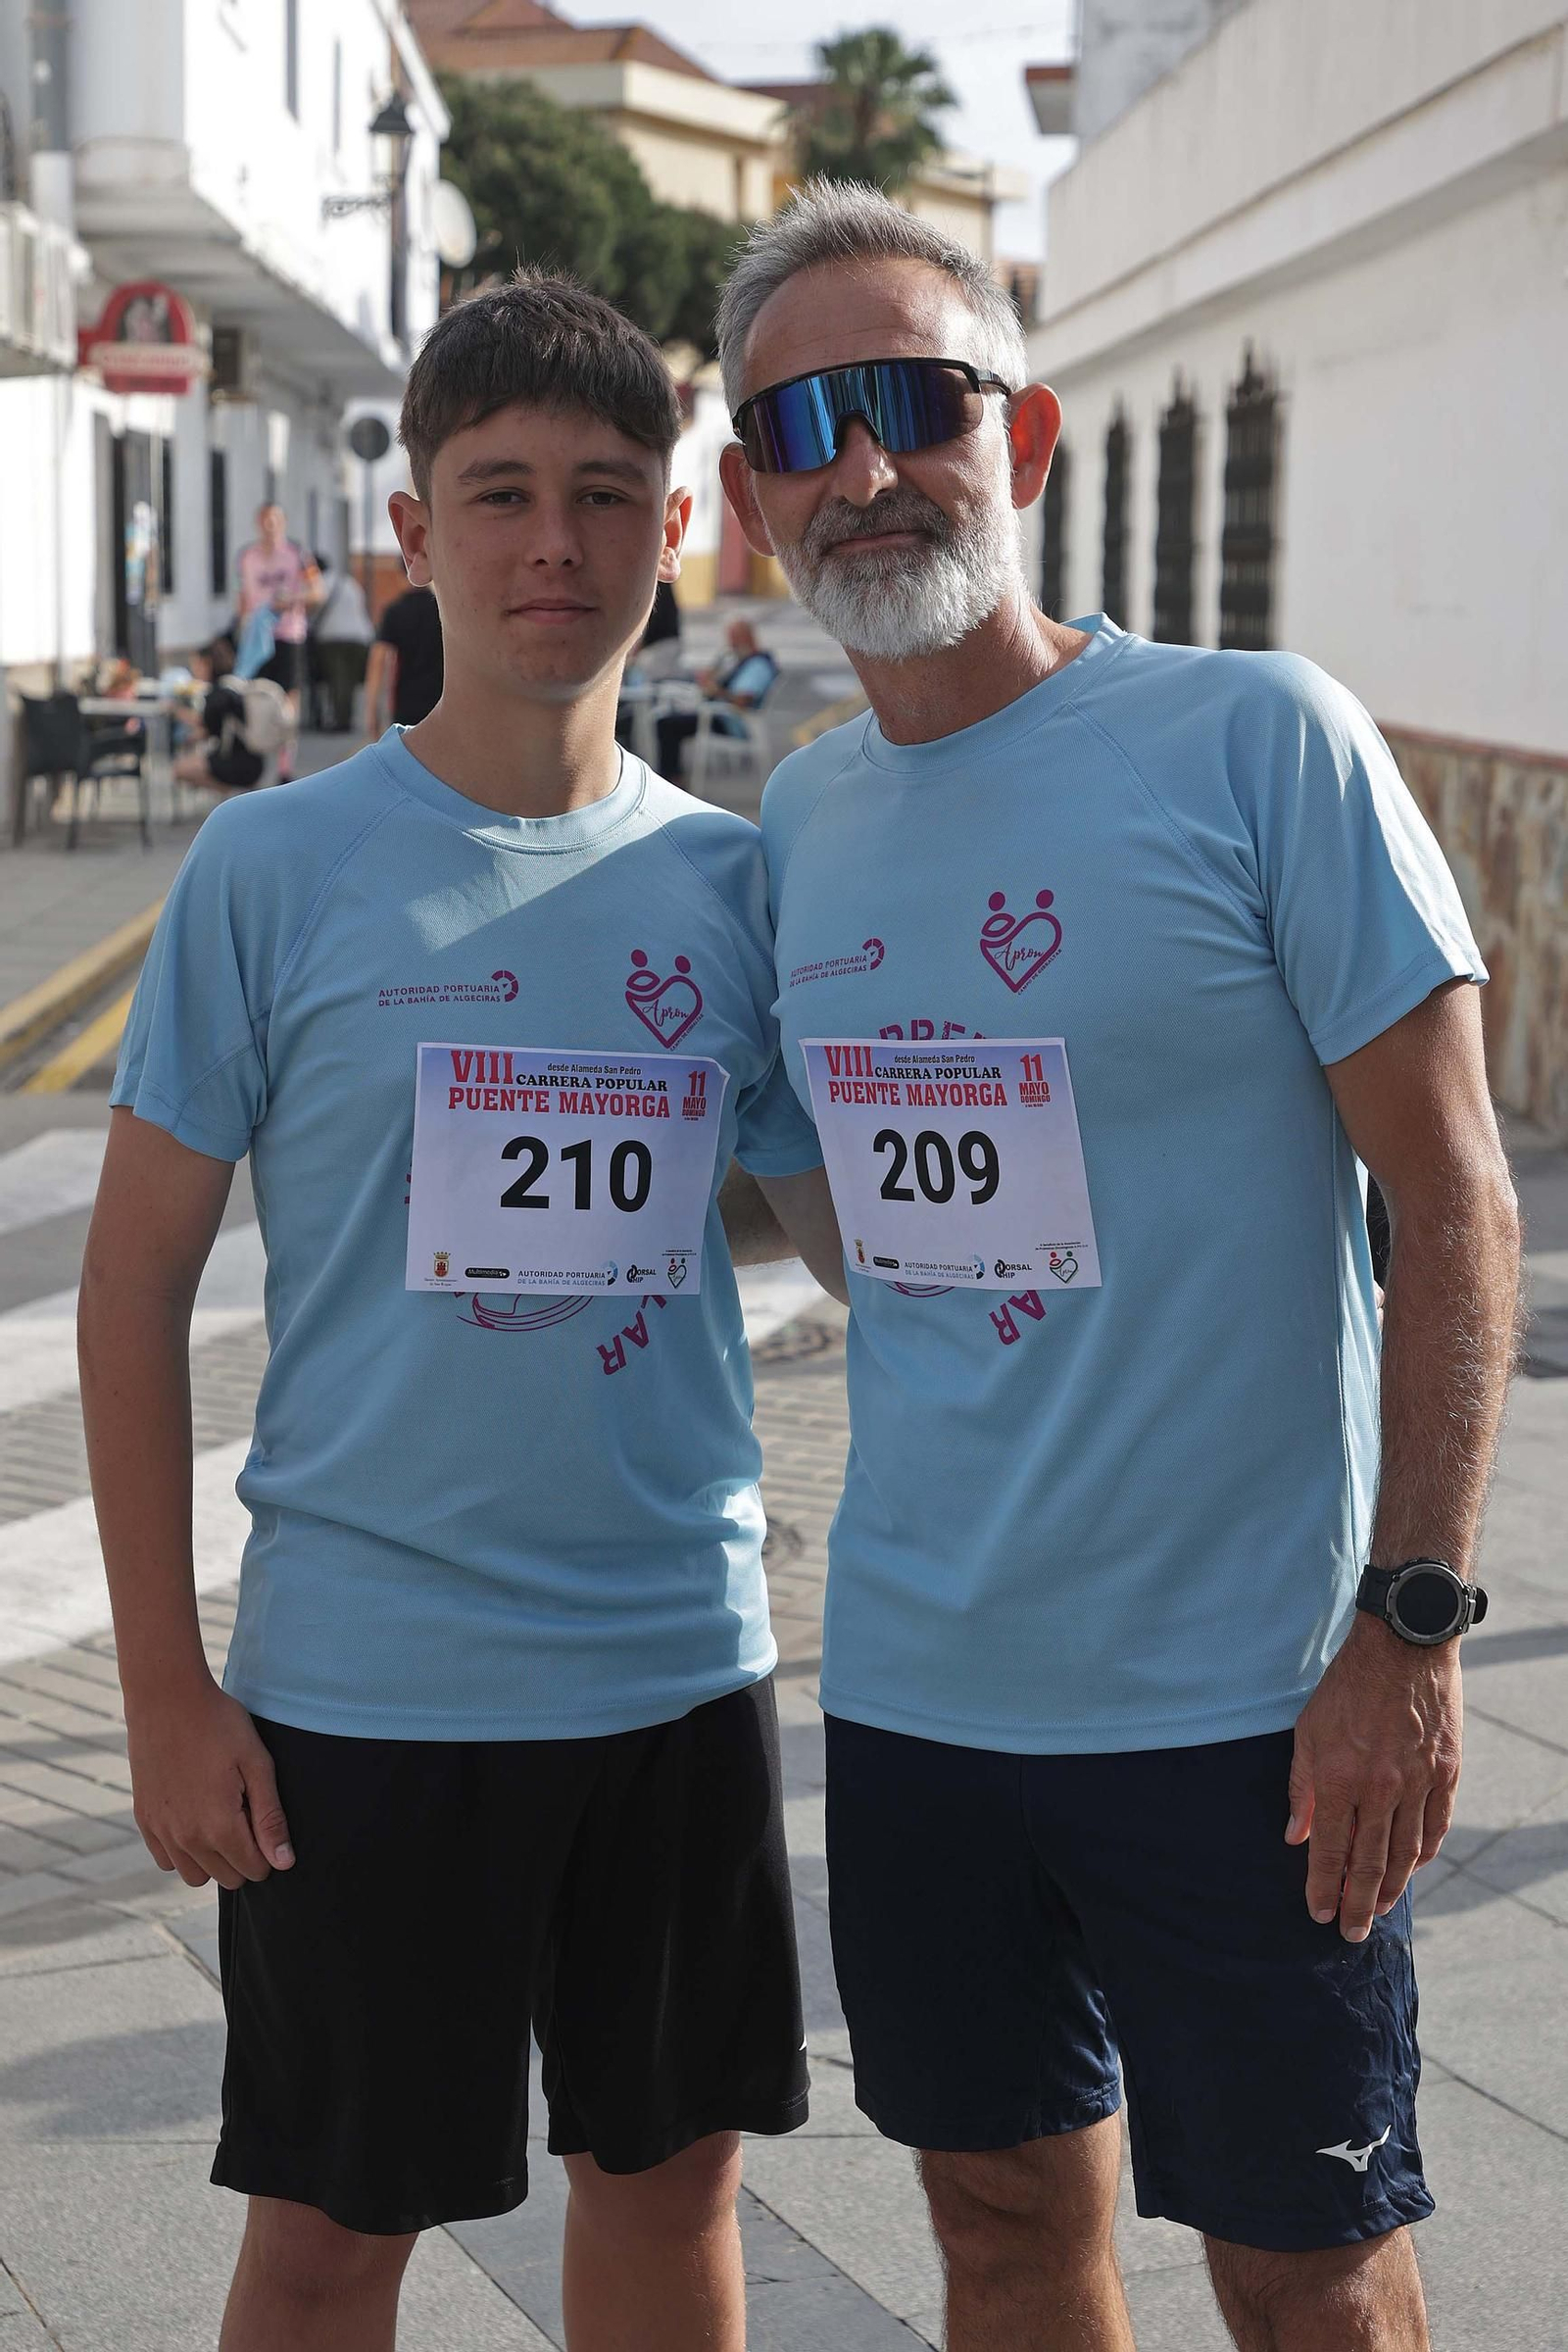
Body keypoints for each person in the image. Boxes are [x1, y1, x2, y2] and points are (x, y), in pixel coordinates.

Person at [714, 182, 1521, 2352]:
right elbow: (852, 1206)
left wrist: (1411, 1625)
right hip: (913, 1697)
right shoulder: (797, 825)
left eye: (912, 400)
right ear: (746, 496)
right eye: (802, 425)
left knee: (1304, 2270)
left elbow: (1450, 1196)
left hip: (1249, 1702)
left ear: (1028, 434)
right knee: (989, 2227)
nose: (862, 465)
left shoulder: (1256, 740)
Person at [79, 272, 838, 2352]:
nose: (553, 546)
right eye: (496, 494)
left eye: (606, 496)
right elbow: (134, 1281)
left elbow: (846, 1233)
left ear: (671, 534)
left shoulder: (737, 885)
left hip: (673, 1667)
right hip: (366, 1690)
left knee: (674, 2195)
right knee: (332, 2237)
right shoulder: (273, 868)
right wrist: (164, 1685)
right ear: (406, 533)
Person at [236, 505, 318, 772]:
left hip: (288, 634)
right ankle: (254, 760)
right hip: (257, 638)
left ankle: (286, 766)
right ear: (258, 523)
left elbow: (318, 592)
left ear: (282, 523)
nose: (269, 527)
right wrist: (243, 627)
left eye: (275, 521)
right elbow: (243, 598)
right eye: (265, 521)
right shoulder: (247, 557)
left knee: (287, 700)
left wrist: (294, 599)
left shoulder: (297, 553)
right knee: (254, 697)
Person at [655, 614, 777, 778]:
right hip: (723, 715)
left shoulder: (758, 665)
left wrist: (714, 690)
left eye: (734, 639)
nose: (731, 645)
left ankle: (672, 776)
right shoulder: (742, 660)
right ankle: (672, 773)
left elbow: (742, 700)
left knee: (667, 724)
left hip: (732, 721)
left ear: (747, 638)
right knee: (669, 717)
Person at [171, 638, 266, 797]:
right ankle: (233, 796)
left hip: (234, 762)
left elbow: (206, 728)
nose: (194, 670)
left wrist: (176, 712)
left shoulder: (216, 695)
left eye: (196, 664)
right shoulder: (236, 685)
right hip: (257, 760)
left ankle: (232, 794)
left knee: (179, 770)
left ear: (207, 664)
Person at [364, 576, 443, 735]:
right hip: (442, 701)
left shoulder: (395, 611)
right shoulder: (445, 611)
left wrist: (372, 710)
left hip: (405, 703)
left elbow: (378, 660)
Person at [308, 552, 374, 732]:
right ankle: (346, 717)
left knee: (337, 681)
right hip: (360, 637)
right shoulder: (348, 582)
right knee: (349, 682)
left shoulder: (320, 583)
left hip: (333, 638)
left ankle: (340, 721)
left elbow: (312, 607)